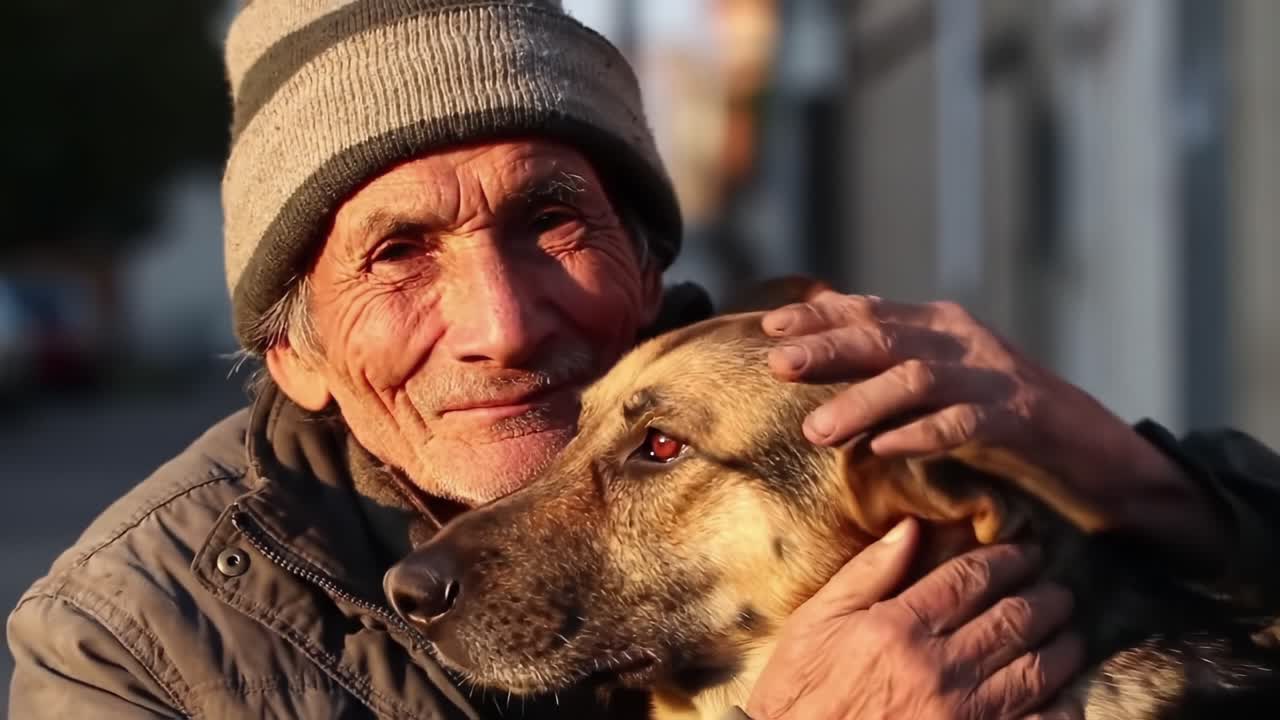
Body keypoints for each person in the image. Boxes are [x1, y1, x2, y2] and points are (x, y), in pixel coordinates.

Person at [8, 1, 1279, 718]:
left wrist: (1132, 476)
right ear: (296, 354)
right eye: (396, 254)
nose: (503, 321)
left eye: (550, 219)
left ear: (643, 255)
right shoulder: (130, 645)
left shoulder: (813, 410)